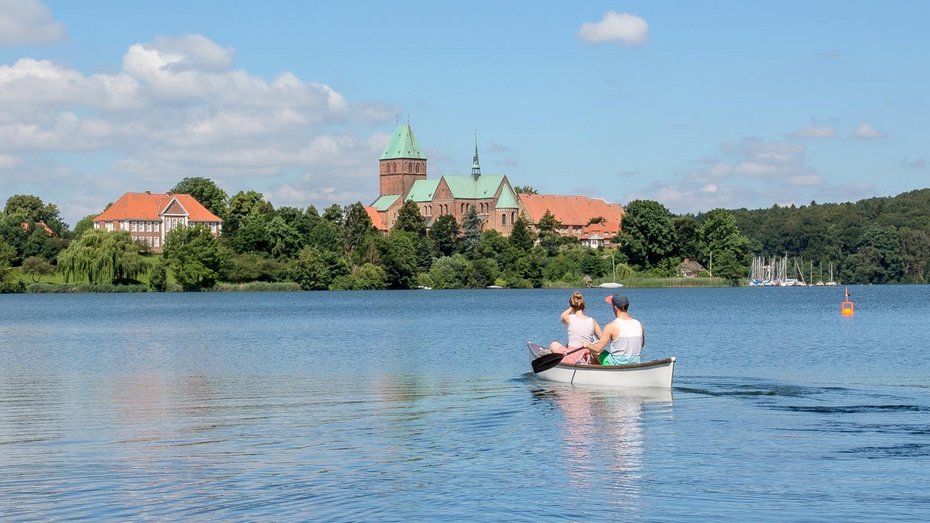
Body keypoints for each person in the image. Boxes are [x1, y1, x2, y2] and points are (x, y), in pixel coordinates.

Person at [583, 294, 644, 365]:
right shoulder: (639, 324)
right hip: (635, 363)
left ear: (615, 308)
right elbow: (641, 344)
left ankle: (598, 374)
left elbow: (598, 348)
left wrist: (588, 345)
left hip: (616, 364)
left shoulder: (611, 326)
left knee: (593, 351)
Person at [549, 291, 603, 365]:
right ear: (583, 306)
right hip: (587, 358)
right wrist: (592, 346)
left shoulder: (569, 318)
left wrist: (570, 309)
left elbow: (562, 317)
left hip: (571, 357)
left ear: (572, 306)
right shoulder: (592, 321)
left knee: (553, 344)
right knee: (567, 345)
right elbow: (603, 340)